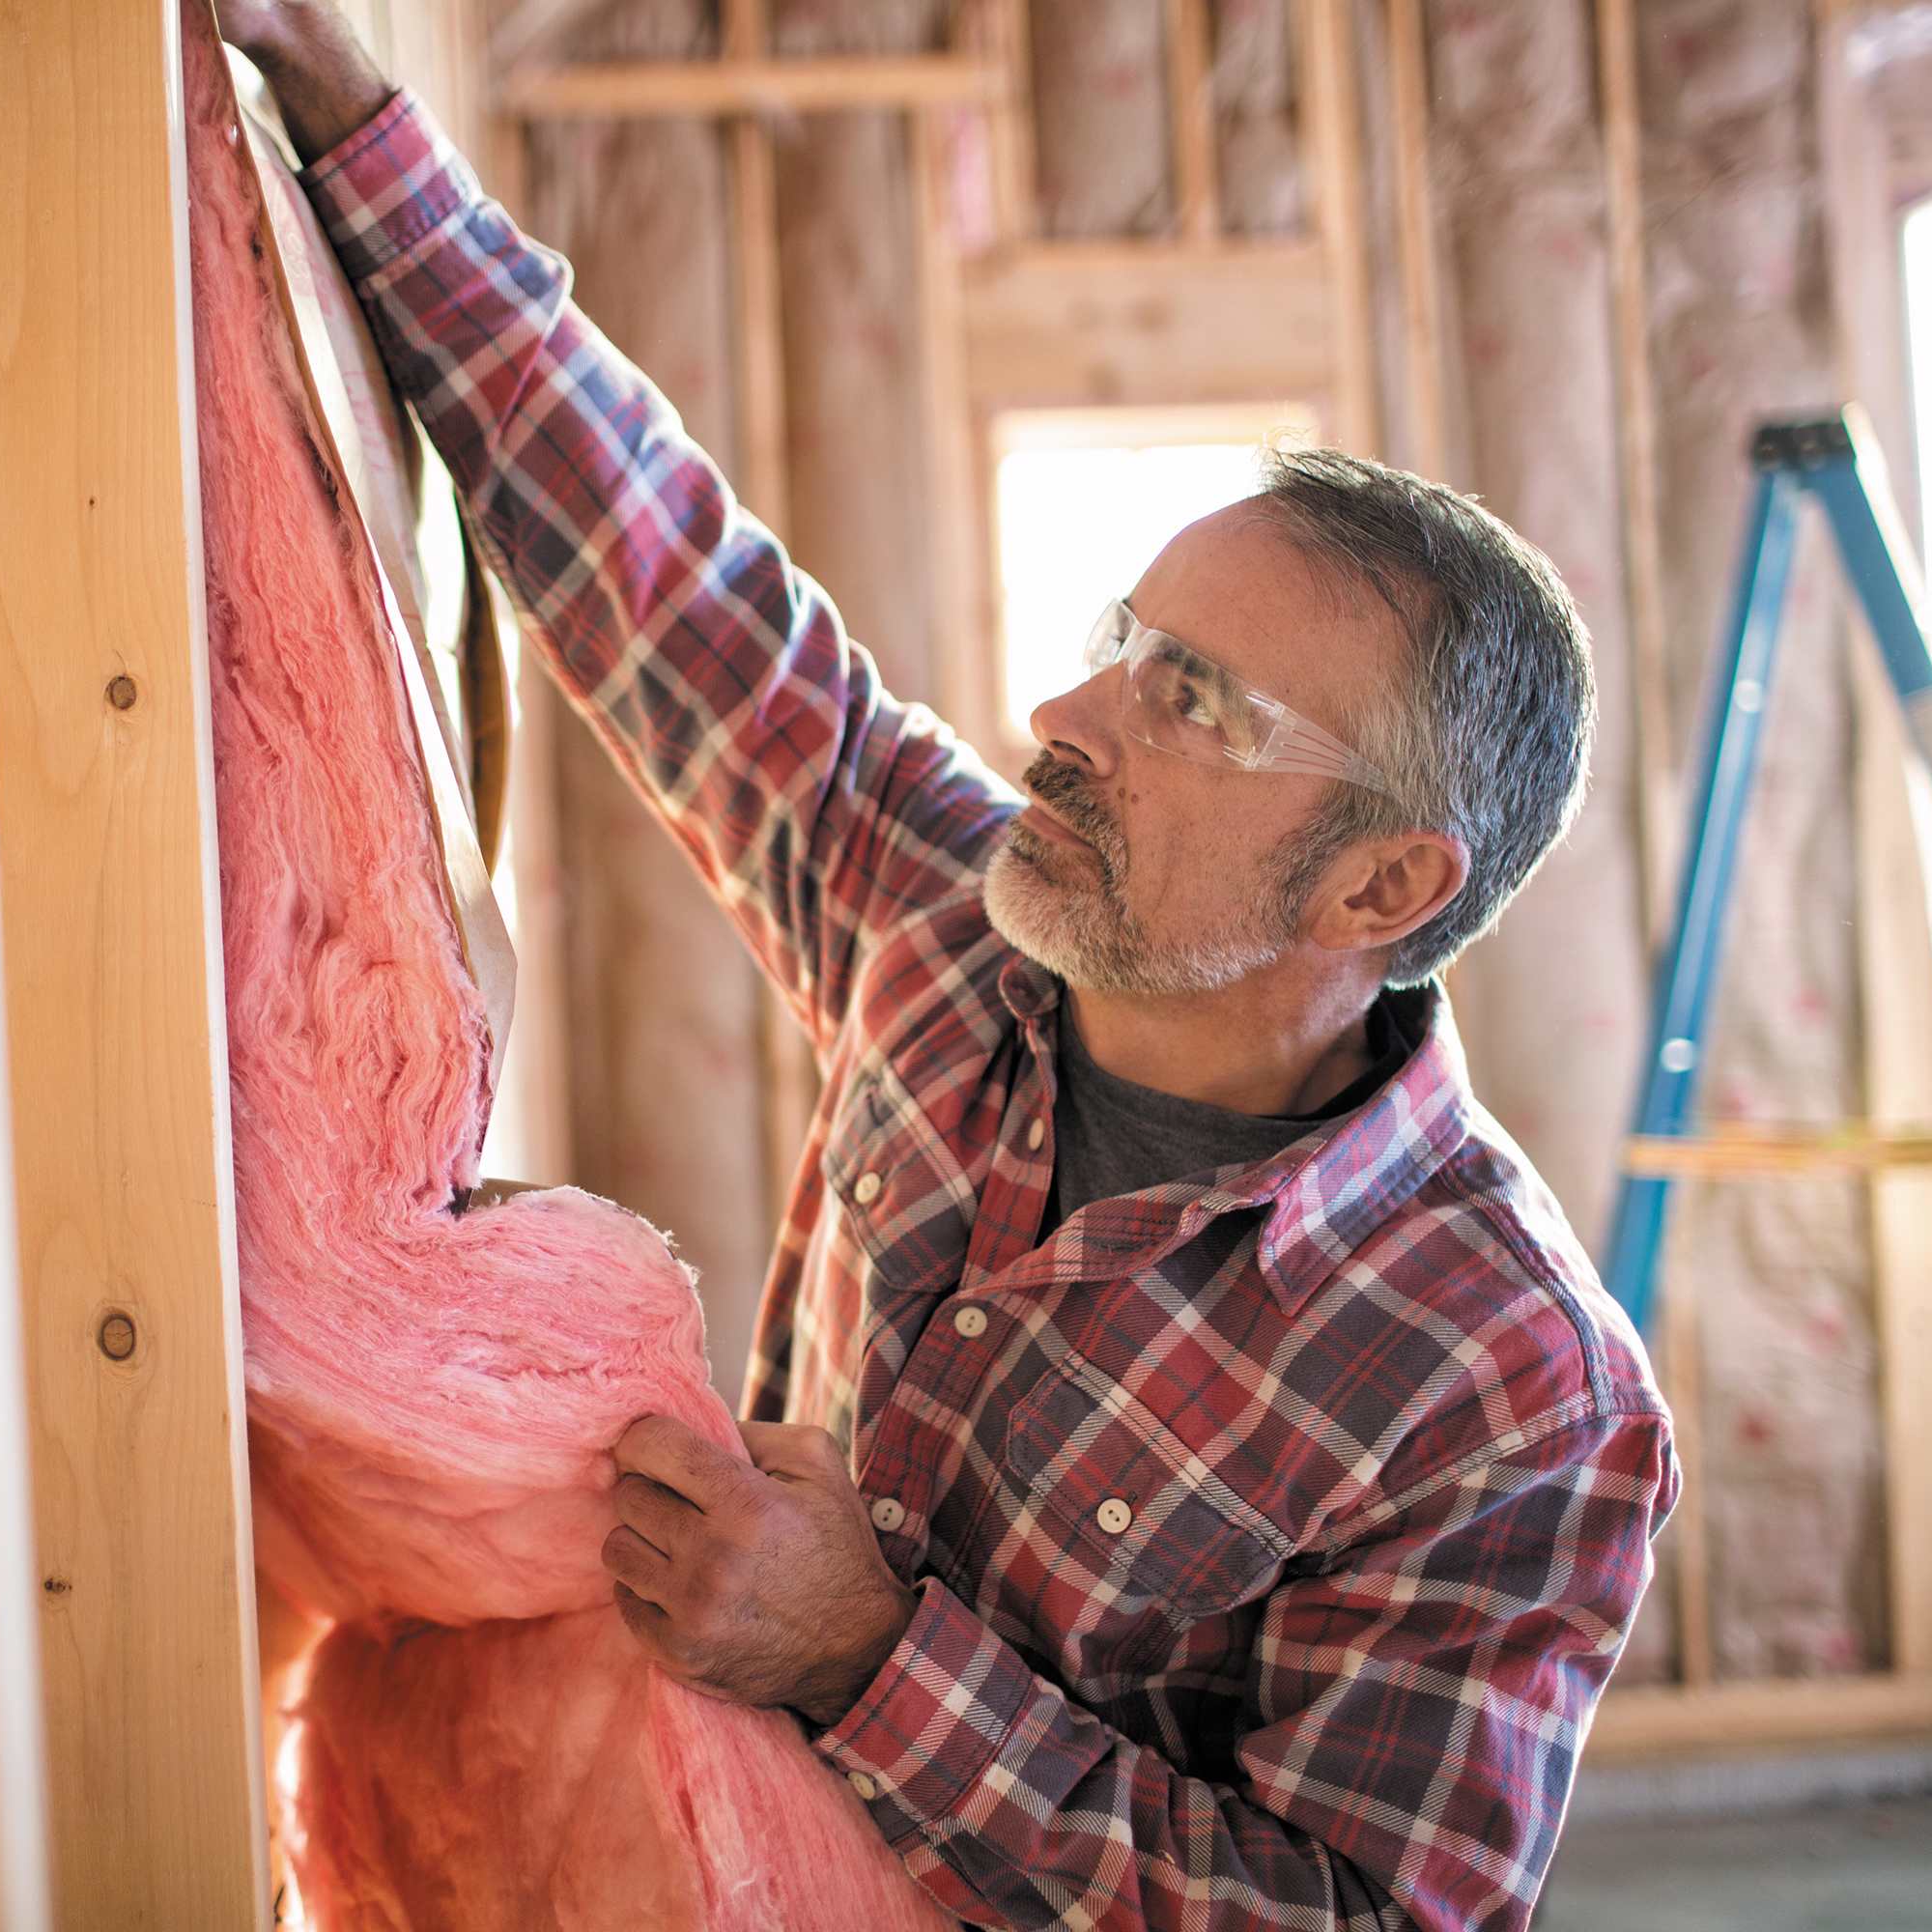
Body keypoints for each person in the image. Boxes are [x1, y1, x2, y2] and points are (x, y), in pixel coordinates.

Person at [218, 6, 1680, 1925]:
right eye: (1119, 638)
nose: (1067, 711)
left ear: (1380, 887)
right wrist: (341, 97)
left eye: (1193, 701)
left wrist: (872, 1665)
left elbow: (1352, 1915)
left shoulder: (1510, 1395)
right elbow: (662, 569)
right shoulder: (949, 910)